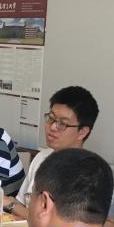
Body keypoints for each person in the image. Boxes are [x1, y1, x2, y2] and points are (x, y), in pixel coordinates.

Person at [7, 86, 99, 218]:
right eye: (51, 118)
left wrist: (10, 204)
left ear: (83, 132)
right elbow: (22, 203)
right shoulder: (42, 156)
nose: (53, 127)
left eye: (62, 123)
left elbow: (52, 223)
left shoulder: (87, 175)